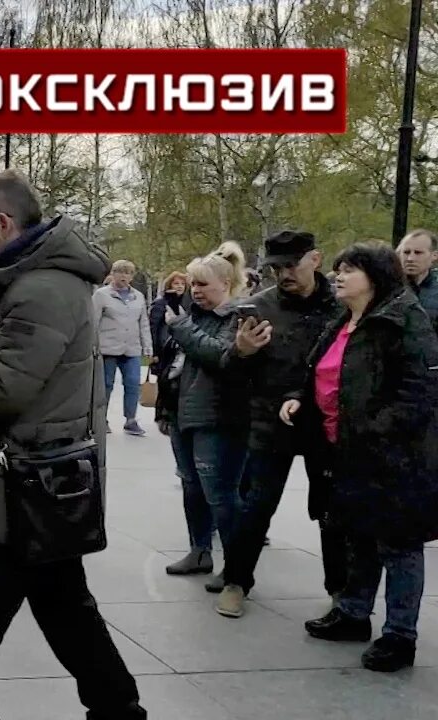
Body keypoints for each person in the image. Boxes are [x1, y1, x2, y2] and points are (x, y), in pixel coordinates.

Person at [0, 170, 147, 720]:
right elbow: (10, 368)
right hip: (30, 478)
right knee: (53, 608)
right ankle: (117, 709)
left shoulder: (40, 288)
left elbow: (7, 389)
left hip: (25, 480)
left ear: (3, 223)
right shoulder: (39, 280)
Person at [284, 241, 438, 672]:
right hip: (345, 451)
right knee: (358, 535)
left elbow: (419, 392)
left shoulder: (404, 320)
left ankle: (400, 635)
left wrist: (374, 429)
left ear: (375, 276)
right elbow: (320, 370)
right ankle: (354, 613)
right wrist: (300, 398)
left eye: (349, 270)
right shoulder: (344, 320)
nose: (338, 276)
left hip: (394, 457)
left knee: (399, 544)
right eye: (337, 269)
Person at [214, 231, 343, 619]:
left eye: (291, 265)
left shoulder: (342, 307)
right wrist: (241, 352)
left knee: (331, 510)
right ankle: (236, 581)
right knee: (257, 507)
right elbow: (229, 369)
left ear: (315, 260)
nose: (284, 274)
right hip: (272, 422)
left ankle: (341, 590)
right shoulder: (257, 307)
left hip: (326, 424)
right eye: (277, 267)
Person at [161, 243, 250, 588]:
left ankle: (237, 566)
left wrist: (181, 328)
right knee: (191, 486)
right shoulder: (193, 318)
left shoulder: (239, 317)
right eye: (193, 284)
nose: (195, 291)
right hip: (183, 415)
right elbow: (172, 367)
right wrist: (165, 411)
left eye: (203, 284)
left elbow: (222, 356)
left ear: (225, 284)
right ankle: (200, 550)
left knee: (221, 493)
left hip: (218, 419)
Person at [93, 259, 153, 436]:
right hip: (107, 348)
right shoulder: (102, 295)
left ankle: (131, 420)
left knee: (133, 383)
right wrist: (92, 345)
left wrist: (147, 346)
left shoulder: (138, 296)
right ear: (113, 274)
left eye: (128, 273)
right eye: (120, 272)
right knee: (106, 385)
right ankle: (101, 419)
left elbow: (143, 323)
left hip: (131, 348)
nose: (124, 276)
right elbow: (93, 322)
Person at [148, 271, 188, 376]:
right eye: (176, 283)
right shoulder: (160, 303)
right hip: (164, 348)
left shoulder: (188, 303)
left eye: (182, 284)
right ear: (169, 285)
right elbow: (154, 328)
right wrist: (154, 352)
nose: (180, 286)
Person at [396, 228, 438, 330]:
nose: (410, 258)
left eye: (418, 253)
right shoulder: (387, 289)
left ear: (434, 255)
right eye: (406, 252)